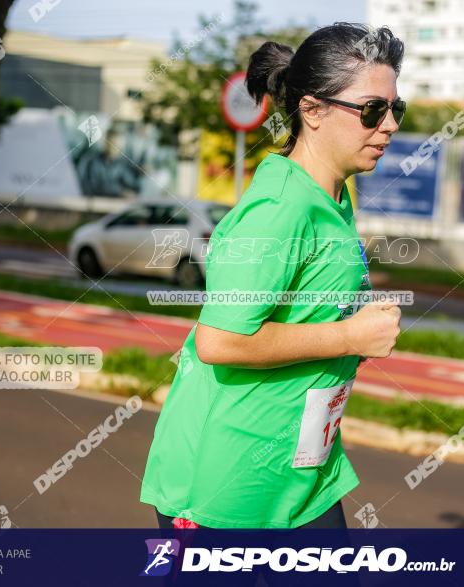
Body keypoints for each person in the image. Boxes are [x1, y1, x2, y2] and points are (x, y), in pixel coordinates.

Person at [140, 22, 404, 529]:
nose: (389, 124)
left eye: (396, 108)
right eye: (373, 109)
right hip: (229, 486)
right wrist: (349, 335)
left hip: (307, 474)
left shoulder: (332, 198)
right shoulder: (279, 209)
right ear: (312, 110)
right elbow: (219, 342)